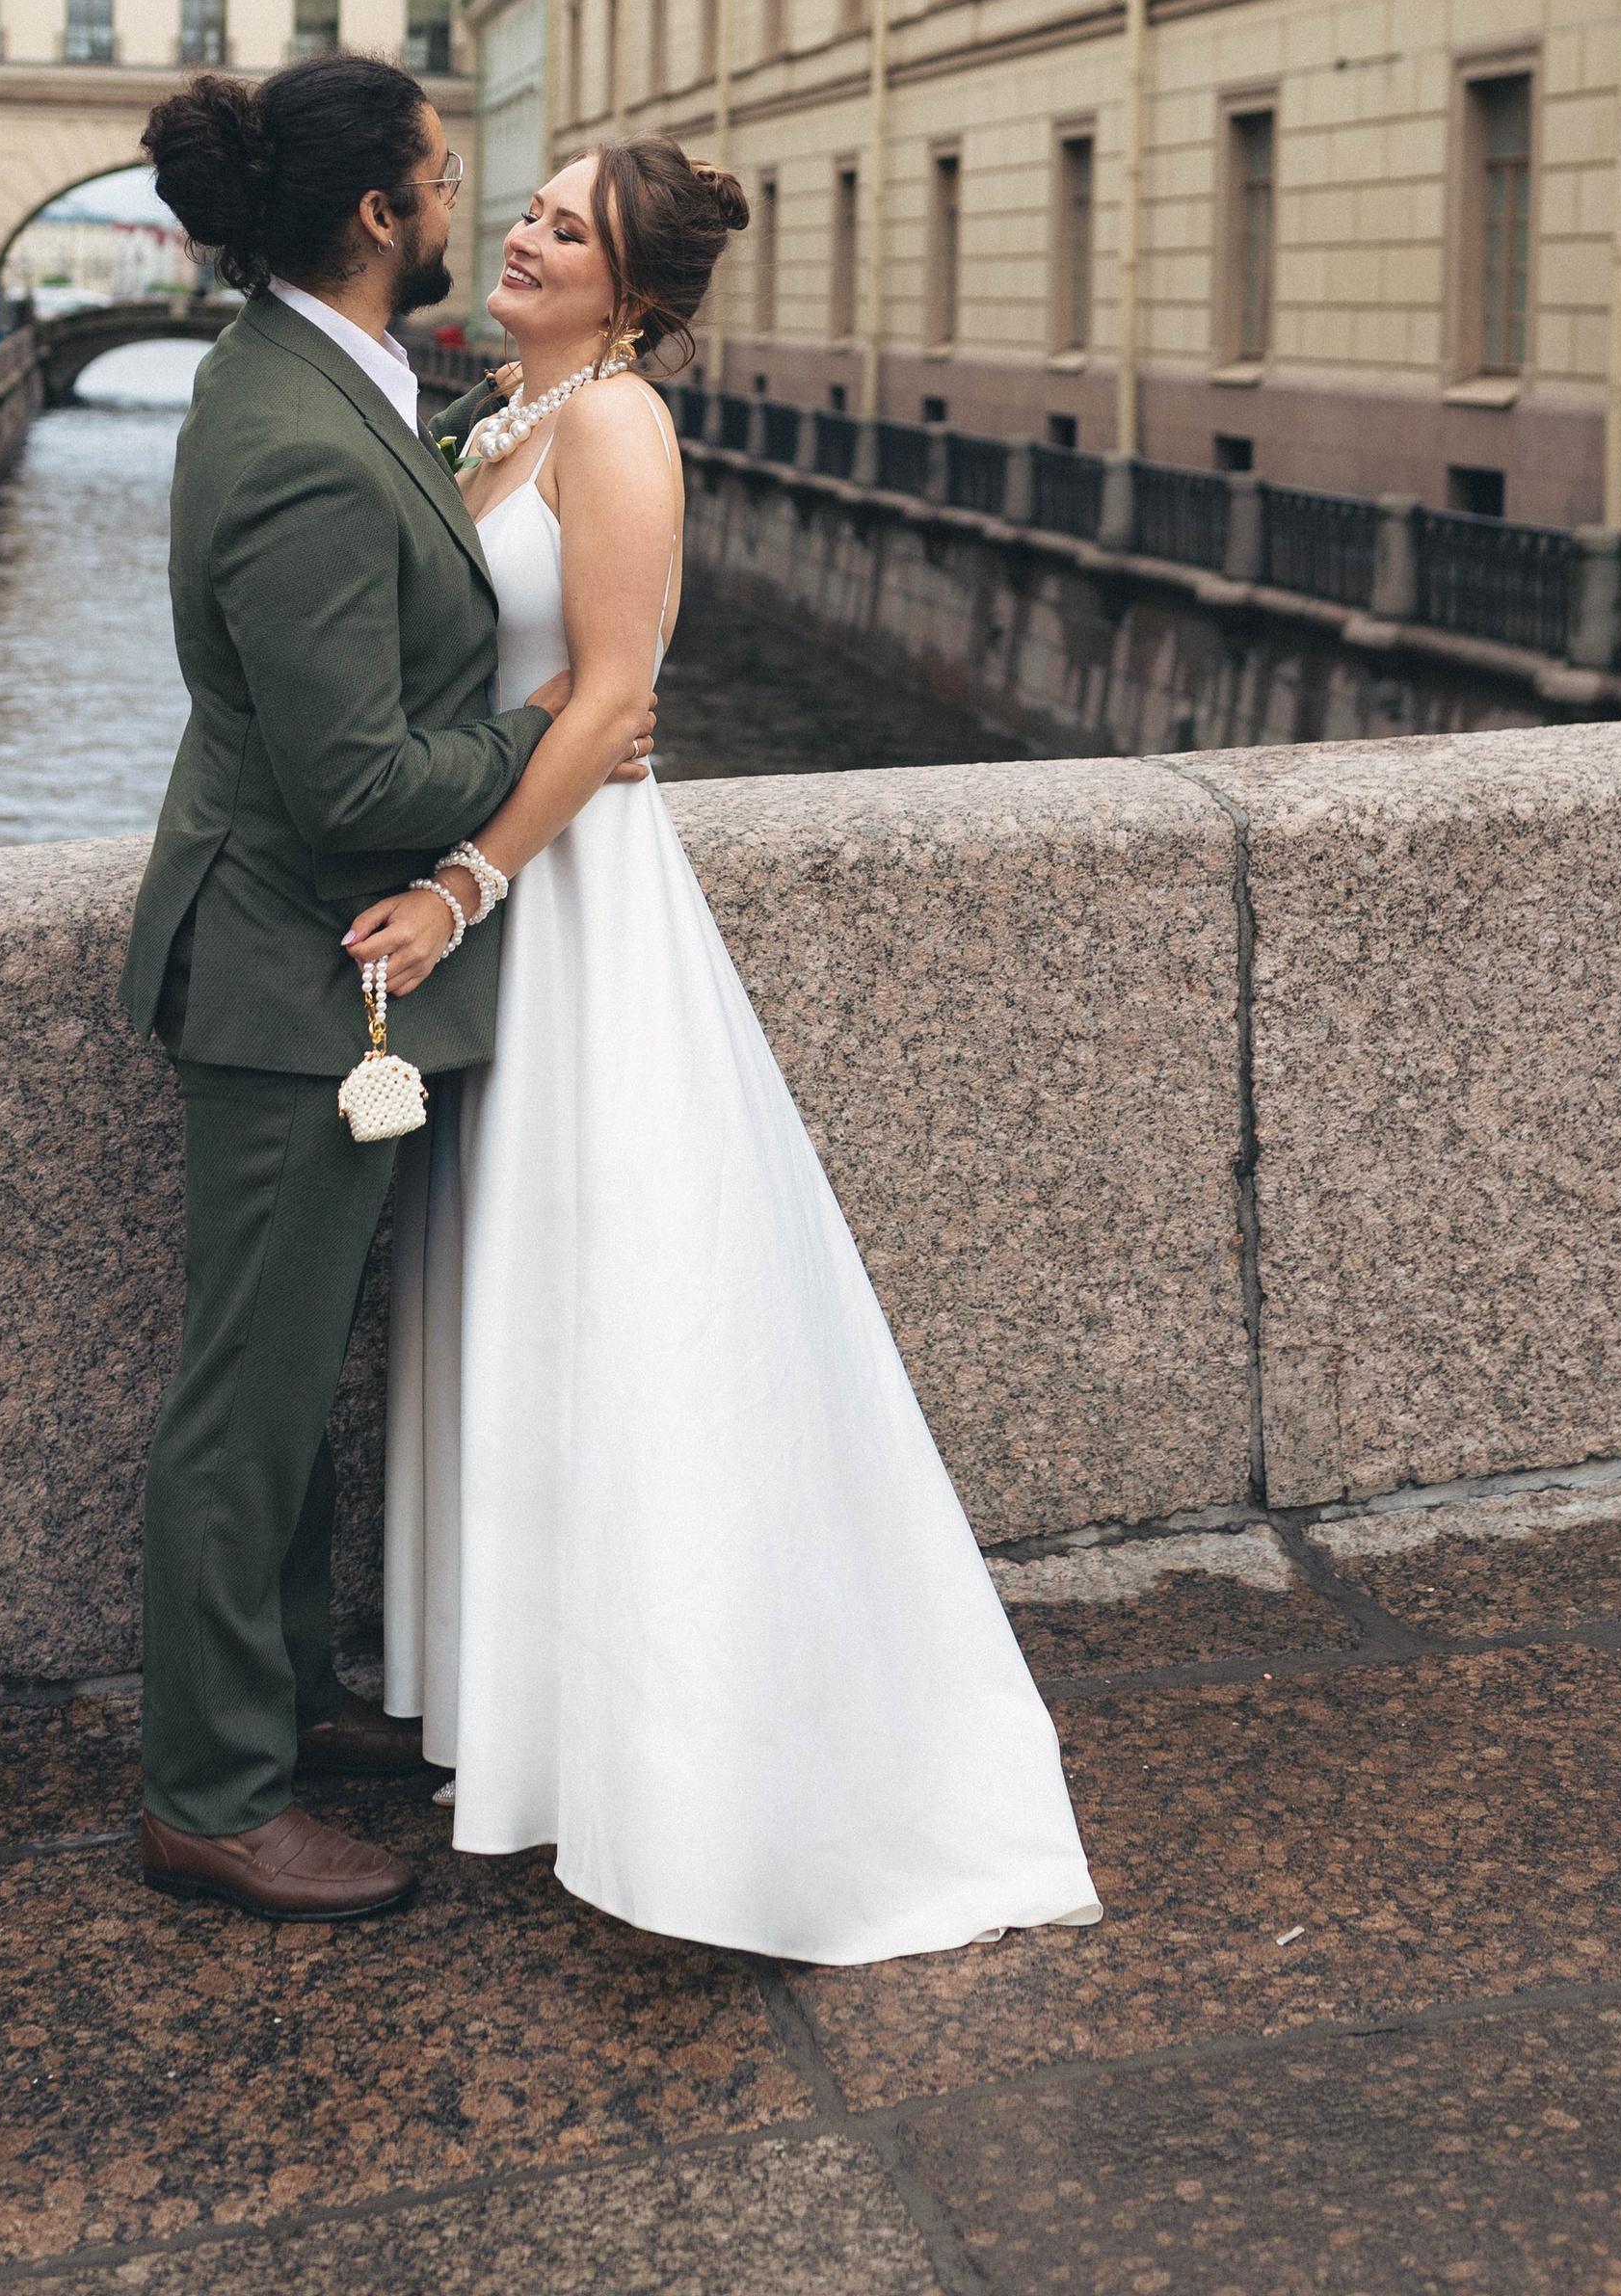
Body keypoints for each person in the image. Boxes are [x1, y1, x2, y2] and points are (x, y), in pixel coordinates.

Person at [354, 137, 1102, 1965]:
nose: (527, 233)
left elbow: (613, 692)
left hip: (568, 901)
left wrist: (458, 884)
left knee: (622, 1286)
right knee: (517, 1284)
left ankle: (681, 1752)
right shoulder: (494, 412)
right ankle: (523, 1711)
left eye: (570, 230)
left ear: (638, 294)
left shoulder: (614, 428)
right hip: (525, 871)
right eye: (530, 207)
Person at [119, 57, 657, 1927]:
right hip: (295, 967)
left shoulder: (342, 386)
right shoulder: (289, 430)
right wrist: (538, 736)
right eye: (445, 178)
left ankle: (281, 1702)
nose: (468, 203)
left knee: (289, 1372)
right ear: (379, 218)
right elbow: (349, 782)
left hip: (309, 962)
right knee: (244, 1397)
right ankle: (206, 1789)